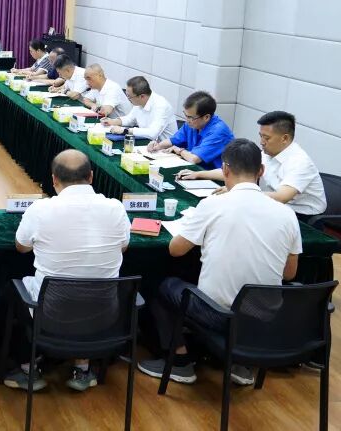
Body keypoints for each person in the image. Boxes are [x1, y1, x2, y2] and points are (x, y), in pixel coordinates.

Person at [138, 139, 302, 386]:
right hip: (264, 315)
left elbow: (175, 250)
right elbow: (289, 274)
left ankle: (180, 362)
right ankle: (238, 361)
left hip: (216, 314)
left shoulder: (213, 204)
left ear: (225, 169)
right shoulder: (287, 214)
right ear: (261, 171)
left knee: (159, 283)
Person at [5, 149, 130, 392]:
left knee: (13, 289)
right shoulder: (115, 208)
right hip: (104, 313)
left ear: (54, 180)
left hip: (52, 313)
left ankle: (29, 369)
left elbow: (21, 247)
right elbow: (123, 246)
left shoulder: (40, 210)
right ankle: (82, 368)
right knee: (86, 289)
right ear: (91, 176)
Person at [175, 111, 327, 219]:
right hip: (272, 207)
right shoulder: (268, 153)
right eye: (261, 136)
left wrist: (238, 192)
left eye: (267, 138)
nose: (262, 142)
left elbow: (281, 197)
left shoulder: (299, 162)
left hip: (302, 218)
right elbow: (237, 171)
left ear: (285, 138)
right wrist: (198, 174)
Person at [147, 91, 234, 169]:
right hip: (195, 170)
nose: (187, 120)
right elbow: (173, 140)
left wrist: (180, 151)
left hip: (216, 177)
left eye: (190, 117)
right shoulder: (192, 123)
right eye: (186, 115)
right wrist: (157, 146)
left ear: (206, 117)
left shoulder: (218, 132)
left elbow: (194, 159)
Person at [102, 76, 178, 142]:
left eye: (129, 96)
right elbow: (130, 119)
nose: (128, 99)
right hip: (148, 144)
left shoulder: (161, 106)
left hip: (166, 149)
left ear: (142, 96)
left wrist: (125, 130)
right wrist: (113, 121)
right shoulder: (139, 102)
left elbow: (152, 133)